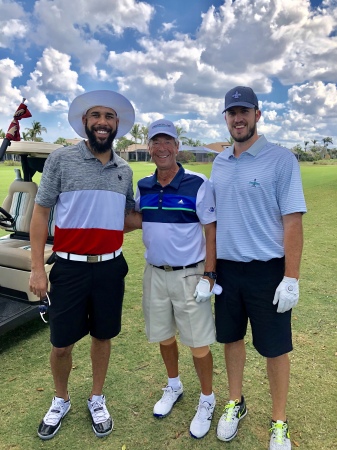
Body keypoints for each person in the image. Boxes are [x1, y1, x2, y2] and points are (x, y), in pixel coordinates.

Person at [29, 90, 139, 440]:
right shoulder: (61, 160)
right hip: (70, 268)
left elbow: (125, 218)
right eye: (96, 116)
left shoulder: (125, 169)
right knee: (61, 343)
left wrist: (175, 217)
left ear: (117, 124)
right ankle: (61, 399)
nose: (102, 122)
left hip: (110, 268)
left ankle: (96, 397)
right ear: (85, 122)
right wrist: (36, 268)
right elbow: (41, 213)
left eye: (109, 116)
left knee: (102, 336)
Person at [210, 86, 307, 449]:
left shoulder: (281, 160)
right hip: (227, 271)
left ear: (257, 114)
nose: (238, 118)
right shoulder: (219, 163)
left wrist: (291, 277)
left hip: (268, 271)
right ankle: (236, 401)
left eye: (244, 111)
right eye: (232, 112)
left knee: (274, 349)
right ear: (226, 117)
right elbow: (213, 221)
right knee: (231, 339)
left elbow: (293, 222)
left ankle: (279, 420)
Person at [135, 119, 217, 439]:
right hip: (154, 274)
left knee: (198, 344)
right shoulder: (143, 185)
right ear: (149, 148)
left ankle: (207, 399)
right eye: (156, 142)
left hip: (189, 274)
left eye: (168, 141)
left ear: (177, 146)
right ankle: (174, 386)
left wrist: (209, 275)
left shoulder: (197, 183)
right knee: (164, 336)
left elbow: (211, 231)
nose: (162, 147)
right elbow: (139, 220)